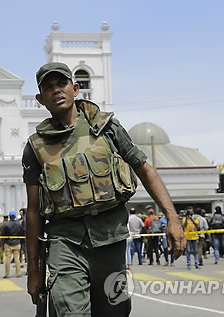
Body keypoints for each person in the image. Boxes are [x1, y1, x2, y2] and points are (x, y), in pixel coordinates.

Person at [24, 62, 186, 317]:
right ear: (40, 99)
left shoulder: (106, 128)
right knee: (70, 312)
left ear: (75, 88)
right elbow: (33, 211)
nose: (56, 90)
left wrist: (172, 219)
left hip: (110, 240)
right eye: (48, 87)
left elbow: (145, 170)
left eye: (62, 83)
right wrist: (33, 270)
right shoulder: (35, 147)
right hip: (64, 242)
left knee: (115, 311)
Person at [1, 211, 24, 278]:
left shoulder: (6, 224)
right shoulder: (18, 224)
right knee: (17, 258)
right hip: (17, 242)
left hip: (8, 243)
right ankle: (18, 273)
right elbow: (21, 233)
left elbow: (3, 234)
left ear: (9, 217)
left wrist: (4, 241)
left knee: (8, 258)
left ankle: (7, 274)